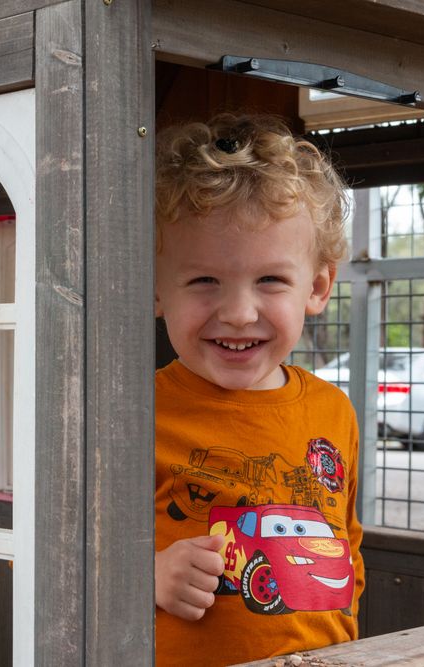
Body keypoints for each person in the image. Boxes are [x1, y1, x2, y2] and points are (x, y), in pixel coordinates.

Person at [153, 114, 364, 665]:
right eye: (204, 281)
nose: (240, 313)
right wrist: (143, 575)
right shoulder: (124, 412)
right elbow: (34, 556)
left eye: (270, 280)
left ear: (317, 286)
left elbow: (348, 548)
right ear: (154, 286)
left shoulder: (333, 410)